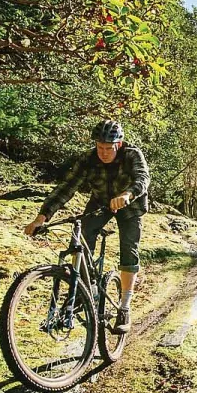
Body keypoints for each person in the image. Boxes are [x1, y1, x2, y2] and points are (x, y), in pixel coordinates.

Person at [25, 119, 149, 334]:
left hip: (130, 205)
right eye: (99, 147)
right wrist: (42, 217)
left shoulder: (131, 154)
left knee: (128, 250)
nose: (103, 152)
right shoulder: (88, 159)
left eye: (108, 148)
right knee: (81, 237)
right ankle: (84, 290)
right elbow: (67, 187)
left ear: (118, 145)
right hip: (100, 203)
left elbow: (143, 178)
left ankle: (124, 307)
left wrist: (127, 194)